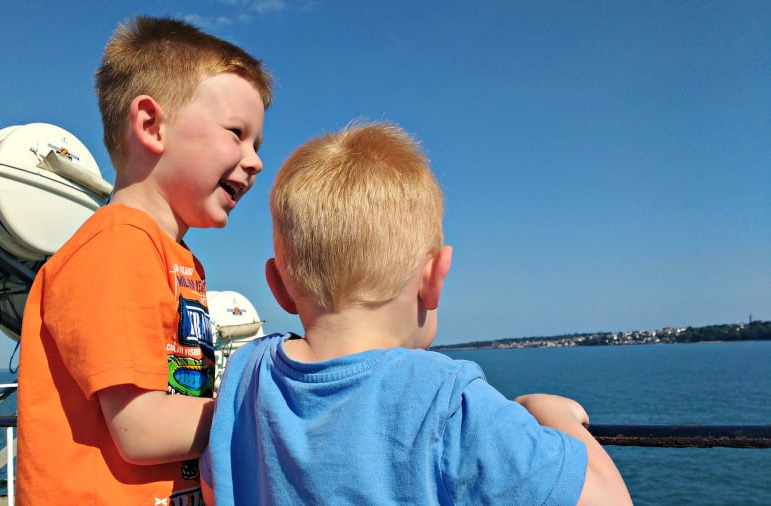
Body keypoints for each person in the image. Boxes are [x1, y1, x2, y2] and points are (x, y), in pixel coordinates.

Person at [199, 123, 632, 505]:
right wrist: (554, 415)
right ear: (434, 278)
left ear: (278, 286)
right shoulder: (445, 398)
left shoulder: (246, 374)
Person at [16, 16, 272, 505]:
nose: (255, 159)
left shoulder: (172, 257)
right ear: (151, 125)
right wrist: (267, 399)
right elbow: (141, 428)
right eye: (237, 133)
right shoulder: (117, 245)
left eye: (256, 144)